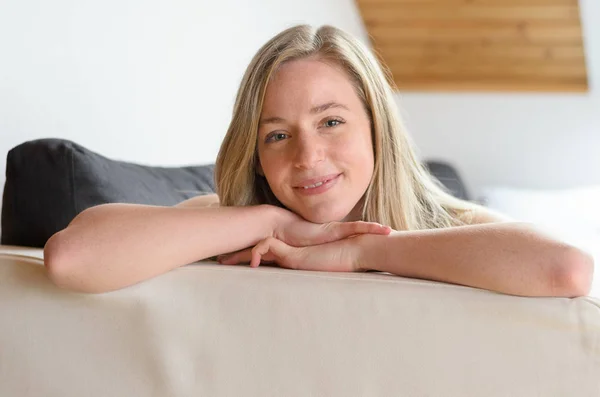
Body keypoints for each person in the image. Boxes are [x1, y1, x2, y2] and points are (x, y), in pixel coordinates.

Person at [43, 24, 594, 297]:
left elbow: (567, 268)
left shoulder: (449, 224)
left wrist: (362, 252)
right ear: (256, 156)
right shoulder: (230, 225)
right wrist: (273, 221)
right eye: (278, 135)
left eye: (331, 122)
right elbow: (71, 259)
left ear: (377, 129)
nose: (308, 157)